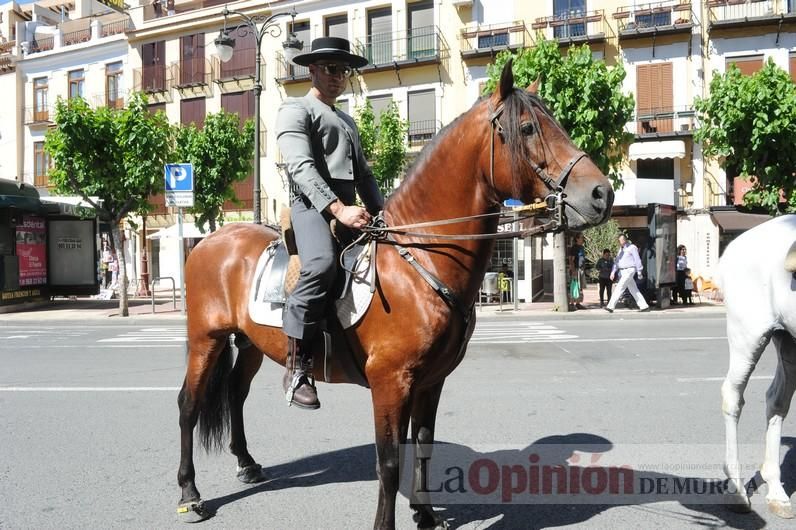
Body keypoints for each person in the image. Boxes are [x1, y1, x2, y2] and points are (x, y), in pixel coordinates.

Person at [275, 37, 384, 410]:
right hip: (310, 206)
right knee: (321, 263)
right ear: (313, 70)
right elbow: (301, 168)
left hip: (347, 206)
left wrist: (385, 215)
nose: (340, 76)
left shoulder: (348, 121)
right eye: (332, 69)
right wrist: (339, 210)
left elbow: (365, 177)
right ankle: (297, 367)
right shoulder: (295, 110)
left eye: (345, 70)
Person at [604, 234, 649, 313]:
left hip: (630, 270)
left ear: (625, 240)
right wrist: (613, 272)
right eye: (620, 241)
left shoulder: (632, 248)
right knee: (634, 289)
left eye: (622, 240)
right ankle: (644, 306)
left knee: (619, 287)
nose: (621, 242)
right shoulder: (620, 250)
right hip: (623, 271)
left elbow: (637, 259)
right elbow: (617, 262)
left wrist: (639, 271)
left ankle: (610, 306)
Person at [568, 233, 586, 310]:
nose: (583, 239)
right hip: (576, 269)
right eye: (581, 238)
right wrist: (573, 270)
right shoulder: (574, 248)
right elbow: (571, 259)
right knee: (574, 286)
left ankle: (578, 303)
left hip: (581, 269)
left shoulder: (581, 247)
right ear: (577, 239)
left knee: (580, 287)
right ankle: (572, 303)